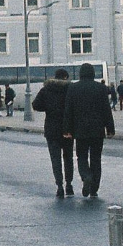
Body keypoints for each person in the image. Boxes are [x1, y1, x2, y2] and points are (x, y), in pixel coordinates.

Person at [63, 62, 115, 198]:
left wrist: (67, 129)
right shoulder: (101, 88)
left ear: (80, 74)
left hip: (80, 131)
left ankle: (86, 176)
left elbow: (68, 110)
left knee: (82, 157)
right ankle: (94, 188)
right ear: (93, 73)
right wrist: (110, 129)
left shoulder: (73, 88)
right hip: (97, 130)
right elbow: (106, 110)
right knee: (96, 159)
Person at [33, 68, 75, 198]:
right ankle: (69, 184)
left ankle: (59, 186)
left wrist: (48, 107)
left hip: (51, 129)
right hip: (67, 128)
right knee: (68, 157)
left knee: (55, 158)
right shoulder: (70, 89)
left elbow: (36, 105)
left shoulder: (46, 89)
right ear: (65, 77)